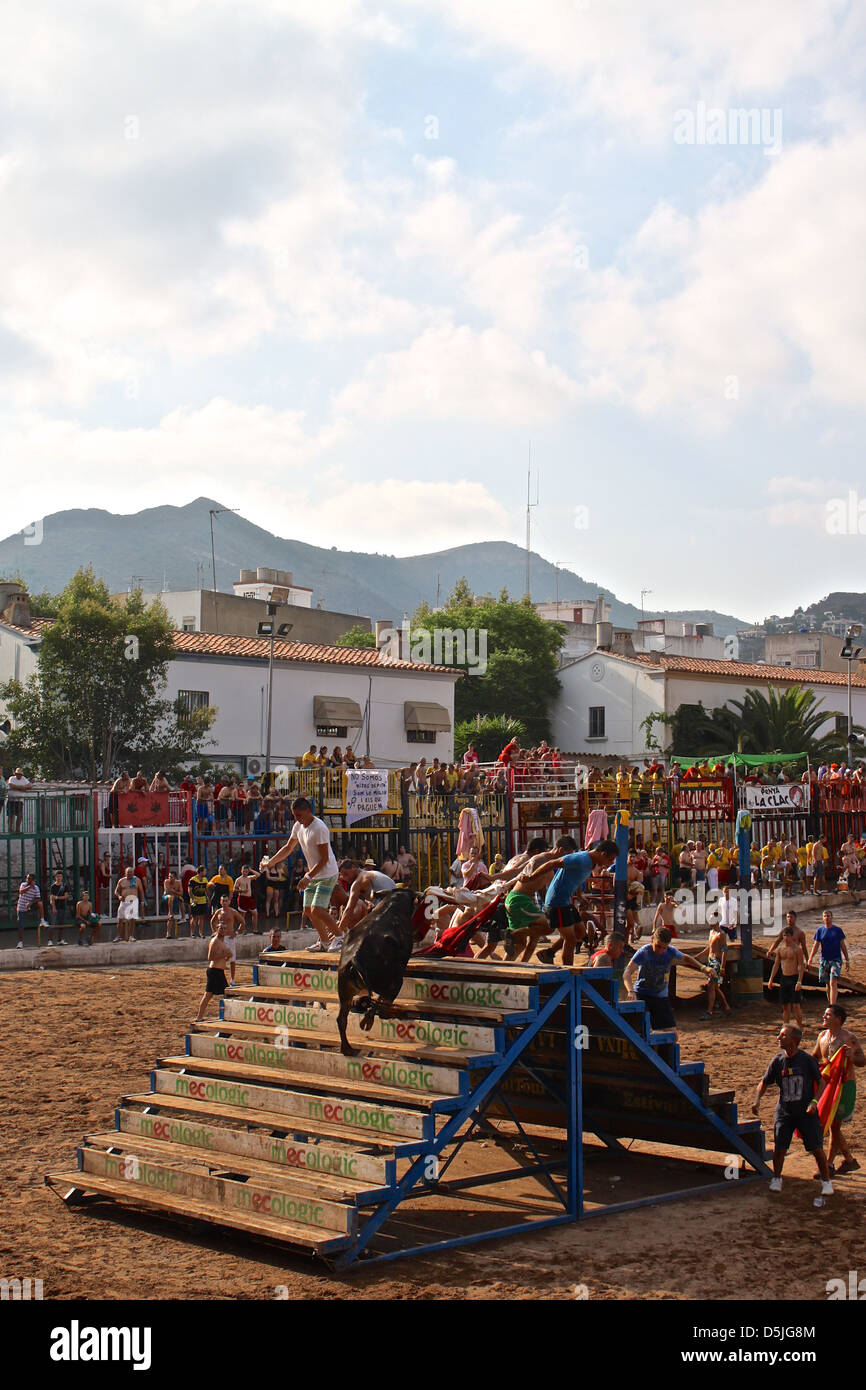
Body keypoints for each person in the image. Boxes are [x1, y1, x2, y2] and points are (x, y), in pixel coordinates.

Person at [753, 1025, 834, 1207]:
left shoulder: (806, 1060)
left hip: (806, 1112)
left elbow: (821, 1082)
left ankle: (826, 1181)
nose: (778, 1038)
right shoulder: (778, 1061)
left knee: (816, 1148)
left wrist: (815, 1102)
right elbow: (764, 1082)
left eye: (783, 1035)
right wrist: (757, 1099)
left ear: (794, 1040)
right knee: (780, 1148)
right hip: (785, 1112)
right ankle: (777, 1177)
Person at [262, 796, 342, 952]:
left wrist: (307, 877)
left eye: (299, 815)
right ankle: (325, 942)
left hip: (327, 873)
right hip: (313, 873)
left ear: (308, 811)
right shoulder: (298, 826)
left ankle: (339, 936)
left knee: (317, 909)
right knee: (307, 910)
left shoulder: (319, 828)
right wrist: (270, 862)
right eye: (294, 815)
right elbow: (288, 848)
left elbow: (325, 859)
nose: (296, 819)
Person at [622, 926, 713, 1039]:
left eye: (664, 948)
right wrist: (630, 991)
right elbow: (627, 972)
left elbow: (687, 958)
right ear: (652, 940)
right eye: (658, 946)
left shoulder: (670, 951)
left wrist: (704, 968)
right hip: (642, 995)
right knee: (642, 1032)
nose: (661, 951)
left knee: (673, 1036)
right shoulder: (644, 952)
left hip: (660, 997)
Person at [540, 838, 619, 966]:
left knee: (579, 934)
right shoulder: (581, 859)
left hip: (566, 902)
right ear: (603, 854)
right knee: (570, 940)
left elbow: (576, 877)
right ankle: (568, 969)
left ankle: (549, 952)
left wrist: (579, 896)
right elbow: (552, 863)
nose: (610, 863)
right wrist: (531, 876)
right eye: (610, 860)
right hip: (557, 902)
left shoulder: (592, 863)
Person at [812, 1005, 865, 1175]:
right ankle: (848, 1160)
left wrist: (852, 1056)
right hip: (828, 1084)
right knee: (832, 1124)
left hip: (844, 1084)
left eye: (828, 1015)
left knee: (834, 1124)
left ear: (838, 1019)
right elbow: (814, 1057)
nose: (824, 1016)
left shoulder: (849, 1038)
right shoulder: (822, 1036)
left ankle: (828, 1165)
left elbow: (862, 1060)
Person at [806, 908, 850, 1006]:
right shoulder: (820, 930)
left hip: (836, 959)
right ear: (822, 918)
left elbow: (843, 946)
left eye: (828, 916)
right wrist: (810, 958)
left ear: (832, 917)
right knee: (827, 983)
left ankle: (833, 1005)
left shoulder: (838, 930)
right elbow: (816, 946)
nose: (826, 918)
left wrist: (847, 960)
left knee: (833, 982)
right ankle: (830, 1003)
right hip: (824, 960)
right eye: (825, 916)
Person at [767, 924, 806, 1028]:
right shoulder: (780, 949)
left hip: (794, 978)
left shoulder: (797, 949)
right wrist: (771, 979)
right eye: (784, 936)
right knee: (785, 1006)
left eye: (787, 936)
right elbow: (776, 965)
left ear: (791, 936)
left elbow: (801, 966)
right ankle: (786, 1025)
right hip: (784, 978)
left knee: (796, 1005)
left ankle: (799, 1026)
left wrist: (799, 981)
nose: (785, 938)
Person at [194, 921, 233, 1021]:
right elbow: (210, 957)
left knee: (213, 994)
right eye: (221, 928)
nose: (223, 930)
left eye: (224, 928)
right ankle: (200, 1017)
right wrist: (224, 955)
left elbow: (223, 958)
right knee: (211, 995)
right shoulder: (215, 940)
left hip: (219, 971)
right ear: (217, 929)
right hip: (214, 971)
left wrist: (228, 956)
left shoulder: (223, 941)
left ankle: (224, 1016)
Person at [696, 924, 732, 1021]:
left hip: (716, 962)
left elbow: (725, 951)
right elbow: (710, 947)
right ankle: (727, 1007)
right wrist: (699, 956)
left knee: (711, 986)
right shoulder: (711, 933)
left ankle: (710, 1012)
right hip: (710, 960)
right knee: (715, 986)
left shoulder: (722, 934)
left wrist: (722, 967)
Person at [210, 893, 246, 983]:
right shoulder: (218, 912)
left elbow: (242, 922)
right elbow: (212, 921)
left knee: (232, 959)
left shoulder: (232, 911)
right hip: (221, 938)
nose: (225, 903)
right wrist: (215, 932)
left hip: (230, 937)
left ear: (229, 902)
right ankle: (219, 978)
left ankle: (232, 979)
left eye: (226, 901)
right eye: (223, 901)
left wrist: (236, 932)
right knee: (220, 958)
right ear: (220, 902)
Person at [16, 873, 48, 948]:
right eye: (27, 878)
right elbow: (21, 891)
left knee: (40, 903)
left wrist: (31, 903)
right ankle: (20, 942)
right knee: (20, 925)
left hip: (30, 905)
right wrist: (30, 886)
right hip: (22, 906)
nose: (27, 880)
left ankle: (42, 920)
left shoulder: (36, 888)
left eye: (29, 879)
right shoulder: (23, 884)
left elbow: (38, 898)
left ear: (33, 880)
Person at [114, 868, 144, 942]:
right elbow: (116, 891)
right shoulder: (121, 881)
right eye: (128, 872)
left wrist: (142, 902)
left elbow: (141, 891)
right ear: (125, 873)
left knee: (132, 920)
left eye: (130, 872)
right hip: (124, 902)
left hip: (133, 901)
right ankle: (118, 936)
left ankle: (131, 936)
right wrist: (119, 896)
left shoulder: (137, 880)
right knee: (120, 919)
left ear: (133, 873)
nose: (129, 874)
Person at [234, 863, 262, 935]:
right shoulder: (239, 879)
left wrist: (251, 870)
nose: (245, 873)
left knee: (255, 913)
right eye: (244, 871)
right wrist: (242, 891)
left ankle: (255, 929)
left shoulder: (249, 878)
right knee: (243, 915)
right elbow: (234, 890)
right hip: (242, 898)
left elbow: (258, 875)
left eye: (246, 871)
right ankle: (243, 930)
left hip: (249, 898)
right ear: (241, 871)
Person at [47, 868, 72, 947]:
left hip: (62, 907)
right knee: (53, 924)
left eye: (60, 876)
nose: (59, 878)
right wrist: (53, 907)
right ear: (55, 877)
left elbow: (66, 896)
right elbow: (51, 898)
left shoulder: (64, 886)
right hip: (55, 907)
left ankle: (60, 939)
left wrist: (57, 897)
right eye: (57, 876)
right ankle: (50, 940)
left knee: (61, 924)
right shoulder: (53, 887)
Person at [187, 864, 211, 938]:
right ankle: (192, 933)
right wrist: (193, 899)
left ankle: (201, 933)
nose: (205, 872)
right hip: (194, 901)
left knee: (201, 917)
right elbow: (189, 890)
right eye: (204, 871)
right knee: (194, 917)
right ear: (200, 872)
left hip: (203, 900)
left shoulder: (205, 880)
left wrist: (209, 899)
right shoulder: (193, 879)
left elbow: (206, 890)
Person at [7, 767, 31, 832]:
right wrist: (21, 788)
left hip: (20, 800)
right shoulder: (12, 778)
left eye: (20, 774)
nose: (19, 775)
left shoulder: (24, 779)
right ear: (15, 774)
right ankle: (10, 829)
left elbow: (30, 786)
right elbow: (11, 785)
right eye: (17, 774)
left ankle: (17, 829)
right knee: (10, 815)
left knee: (20, 815)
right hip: (11, 800)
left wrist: (20, 788)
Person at [163, 869, 185, 939]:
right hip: (166, 898)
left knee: (181, 900)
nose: (170, 878)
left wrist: (175, 893)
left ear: (175, 878)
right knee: (171, 897)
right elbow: (167, 891)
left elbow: (181, 893)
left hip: (174, 898)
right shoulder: (166, 881)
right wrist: (176, 893)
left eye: (171, 877)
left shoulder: (178, 883)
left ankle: (183, 917)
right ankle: (170, 912)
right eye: (169, 877)